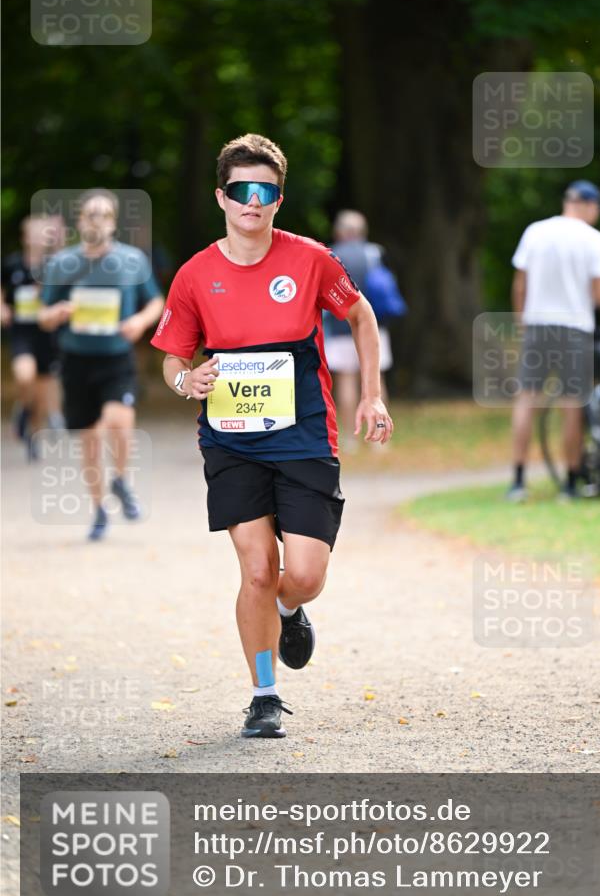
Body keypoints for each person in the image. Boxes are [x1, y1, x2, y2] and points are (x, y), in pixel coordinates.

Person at [151, 133, 393, 739]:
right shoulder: (194, 276)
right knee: (257, 567)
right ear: (222, 197)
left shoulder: (310, 259)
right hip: (232, 440)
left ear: (279, 200)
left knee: (304, 573)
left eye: (265, 191)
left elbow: (361, 317)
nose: (251, 202)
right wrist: (188, 382)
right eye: (241, 191)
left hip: (306, 434)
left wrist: (370, 393)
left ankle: (290, 608)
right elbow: (171, 360)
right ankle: (263, 695)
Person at [39, 189, 164, 541]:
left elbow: (156, 301)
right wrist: (57, 313)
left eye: (104, 215)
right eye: (90, 215)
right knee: (90, 441)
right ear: (80, 221)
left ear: (113, 222)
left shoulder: (132, 260)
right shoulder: (62, 263)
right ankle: (98, 510)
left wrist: (139, 322)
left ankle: (122, 480)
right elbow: (44, 316)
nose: (97, 221)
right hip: (76, 360)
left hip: (116, 358)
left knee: (120, 423)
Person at [508, 180, 600, 501]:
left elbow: (520, 285)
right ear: (588, 205)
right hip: (575, 328)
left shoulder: (535, 232)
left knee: (527, 400)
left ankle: (518, 481)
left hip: (538, 325)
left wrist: (521, 321)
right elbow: (599, 293)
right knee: (572, 404)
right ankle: (570, 483)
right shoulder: (595, 240)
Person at [323, 210, 395, 451]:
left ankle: (350, 438)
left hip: (340, 326)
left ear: (339, 231)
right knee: (376, 380)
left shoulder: (331, 255)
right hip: (373, 327)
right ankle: (380, 440)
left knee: (346, 380)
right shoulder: (373, 253)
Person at [1, 214, 66, 453]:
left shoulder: (52, 265)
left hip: (47, 333)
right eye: (35, 233)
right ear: (25, 237)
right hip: (22, 332)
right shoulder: (12, 263)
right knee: (24, 375)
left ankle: (33, 435)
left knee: (42, 389)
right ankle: (22, 408)